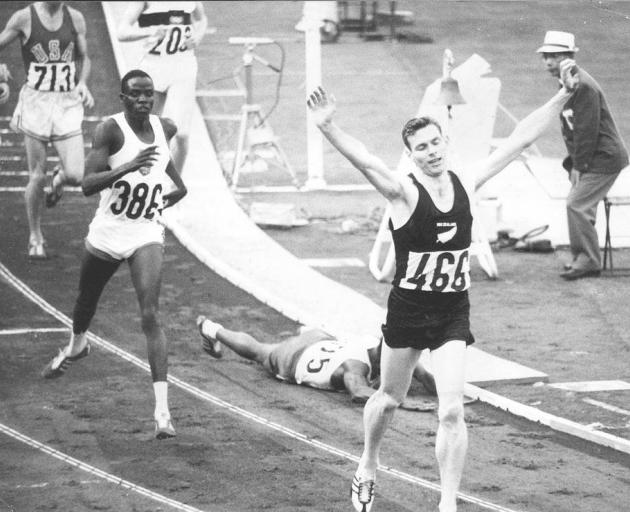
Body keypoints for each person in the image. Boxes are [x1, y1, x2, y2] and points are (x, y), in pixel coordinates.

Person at [307, 58, 578, 512]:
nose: (432, 152)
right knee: (389, 399)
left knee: (451, 408)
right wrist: (328, 127)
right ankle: (368, 463)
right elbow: (365, 161)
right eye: (422, 148)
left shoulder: (467, 181)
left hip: (453, 311)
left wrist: (564, 93)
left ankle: (447, 503)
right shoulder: (404, 193)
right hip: (409, 310)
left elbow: (521, 138)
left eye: (436, 143)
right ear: (411, 155)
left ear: (445, 142)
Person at [40, 69, 187, 440]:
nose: (143, 100)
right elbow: (87, 185)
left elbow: (166, 169)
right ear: (122, 98)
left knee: (150, 314)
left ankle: (163, 412)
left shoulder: (164, 127)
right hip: (107, 232)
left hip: (145, 233)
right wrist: (127, 168)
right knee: (85, 302)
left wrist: (171, 194)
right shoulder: (110, 130)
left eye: (148, 94)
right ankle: (78, 344)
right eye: (135, 94)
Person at [0, 1, 94, 259]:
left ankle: (59, 180)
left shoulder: (75, 18)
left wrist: (83, 83)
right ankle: (35, 234)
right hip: (36, 104)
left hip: (66, 103)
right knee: (36, 175)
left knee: (76, 174)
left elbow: (85, 58)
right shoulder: (24, 18)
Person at [537, 31, 629, 280]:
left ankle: (588, 260)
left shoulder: (583, 85)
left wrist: (580, 165)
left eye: (554, 56)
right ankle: (583, 258)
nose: (548, 62)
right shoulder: (569, 82)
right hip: (593, 156)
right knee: (580, 205)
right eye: (545, 56)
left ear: (569, 57)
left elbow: (587, 129)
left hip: (604, 158)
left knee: (576, 204)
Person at [196, 316, 437, 404]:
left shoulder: (384, 348)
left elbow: (426, 377)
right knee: (260, 351)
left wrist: (450, 395)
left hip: (322, 339)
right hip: (296, 357)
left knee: (327, 337)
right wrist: (397, 400)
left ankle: (307, 329)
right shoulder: (356, 367)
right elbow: (359, 392)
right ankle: (212, 328)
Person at [117, 1, 207, 175]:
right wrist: (149, 32)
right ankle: (145, 178)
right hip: (153, 68)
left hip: (183, 66)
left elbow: (202, 19)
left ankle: (175, 187)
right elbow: (122, 32)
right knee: (146, 133)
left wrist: (198, 36)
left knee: (181, 134)